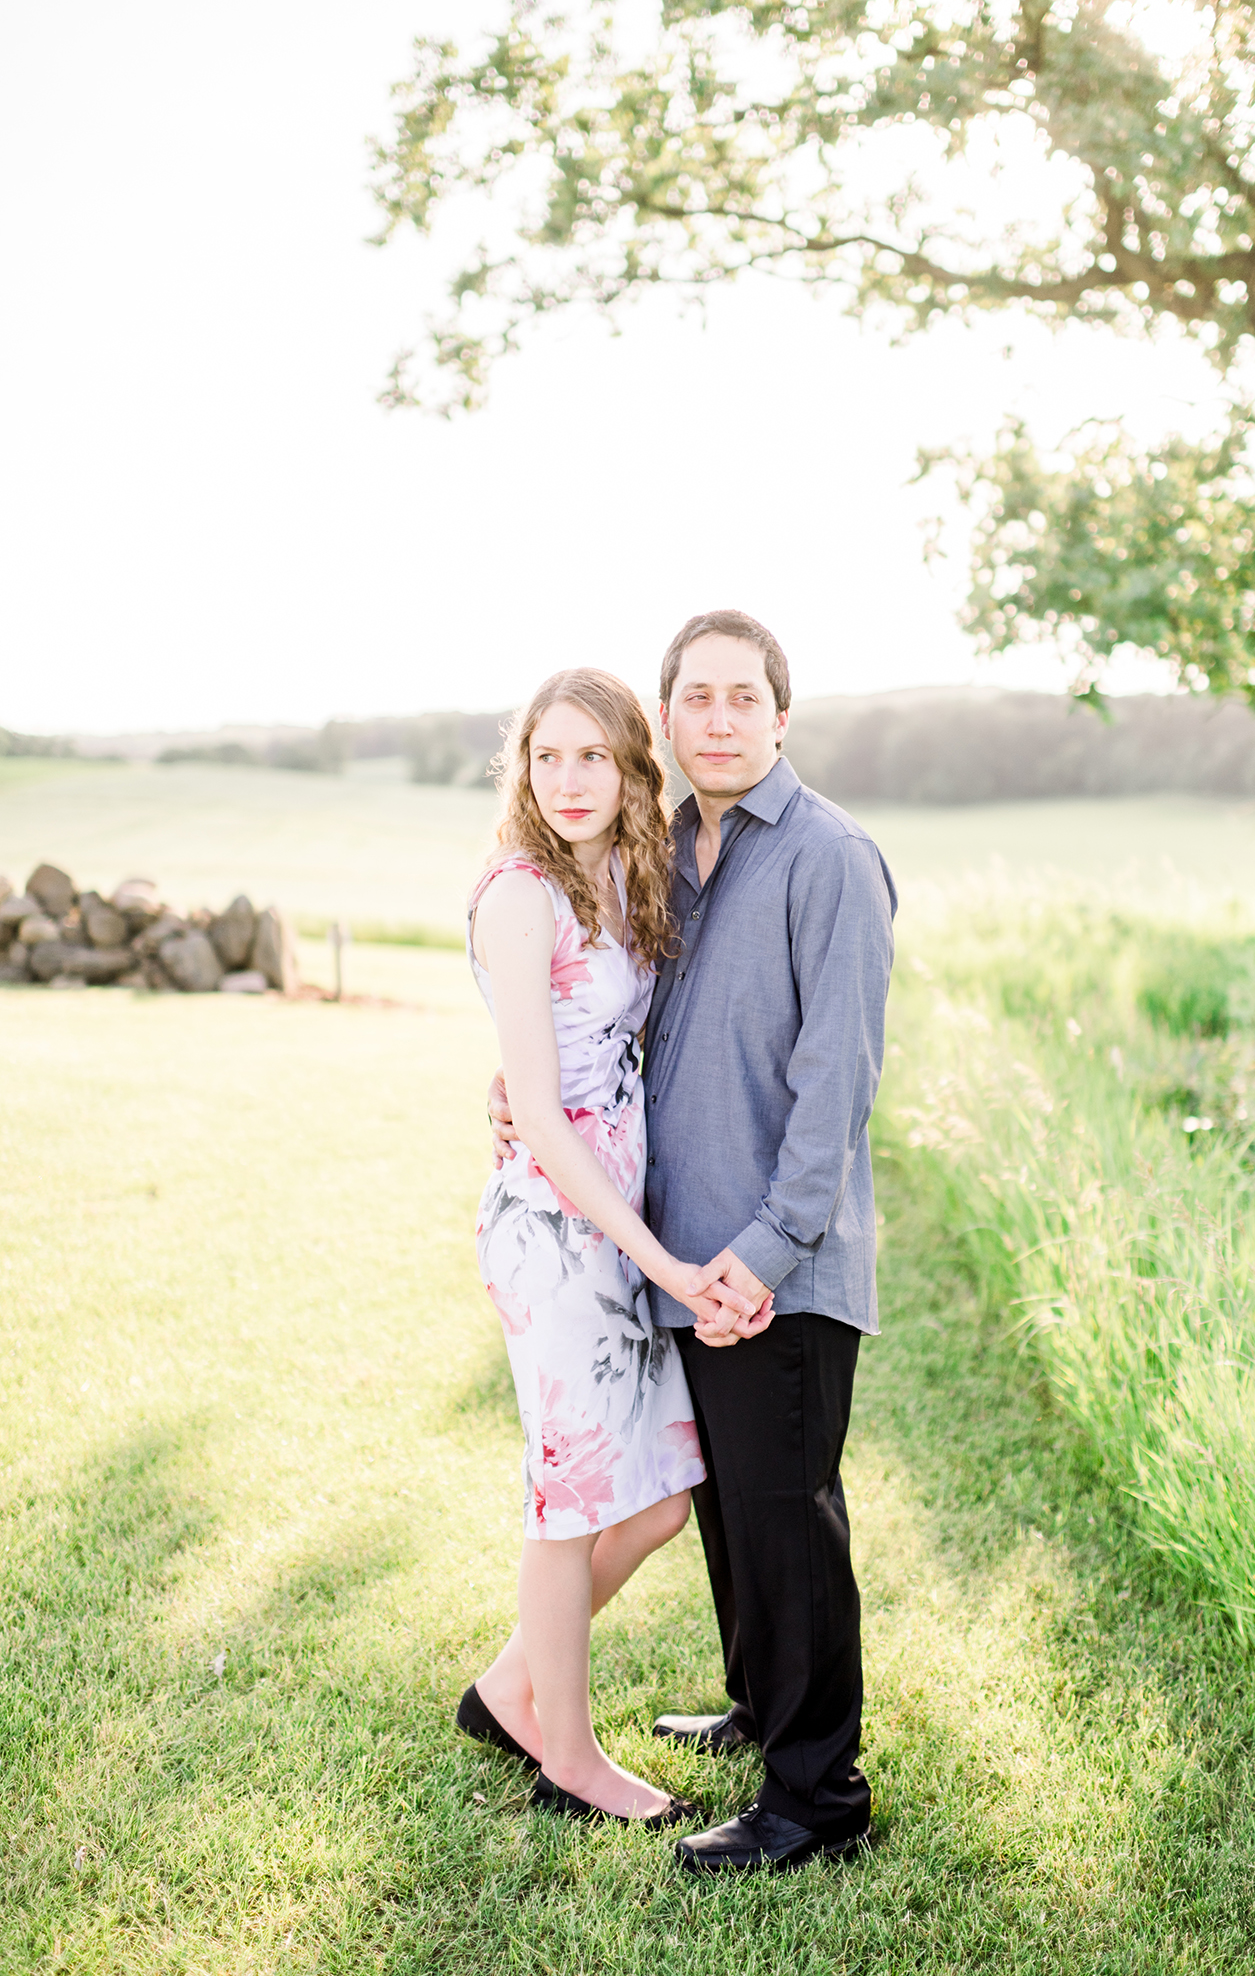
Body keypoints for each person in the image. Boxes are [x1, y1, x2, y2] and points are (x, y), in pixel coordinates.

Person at [491, 612, 897, 1874]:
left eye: (743, 697)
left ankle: (816, 1796)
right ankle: (759, 1706)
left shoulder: (826, 857)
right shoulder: (663, 849)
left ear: (780, 714)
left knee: (787, 1515)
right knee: (726, 1506)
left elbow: (837, 1080)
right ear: (665, 723)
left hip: (775, 1261)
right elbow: (585, 1024)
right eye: (696, 699)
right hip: (672, 1247)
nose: (718, 719)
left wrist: (768, 1252)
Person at [460, 665, 772, 1829]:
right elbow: (537, 1114)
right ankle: (569, 1756)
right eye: (547, 756)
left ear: (631, 765)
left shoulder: (624, 873)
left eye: (593, 755)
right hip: (557, 1234)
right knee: (572, 1502)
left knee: (656, 1503)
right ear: (523, 767)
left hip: (613, 1228)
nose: (569, 779)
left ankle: (507, 1688)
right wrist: (662, 1261)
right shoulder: (519, 892)